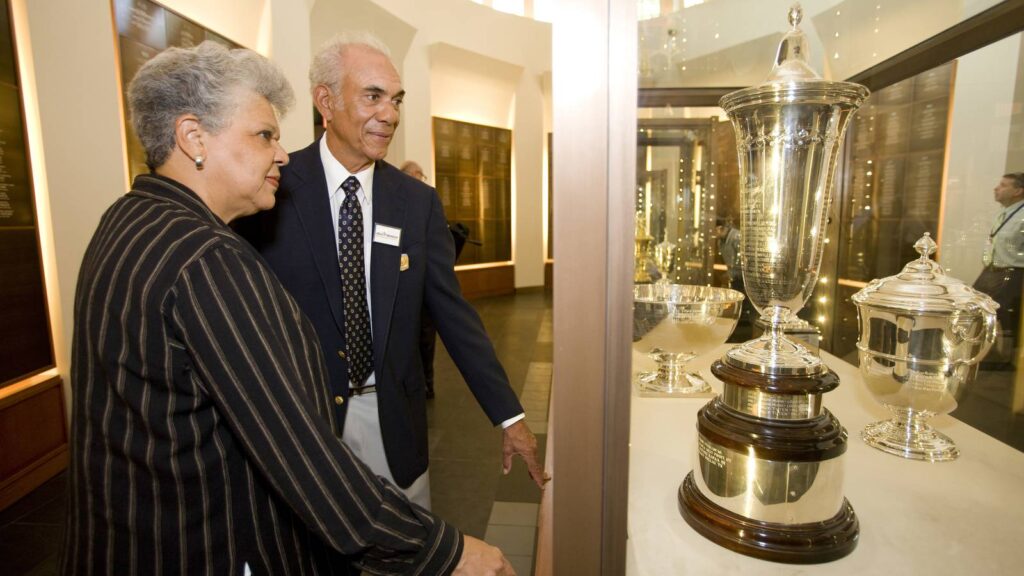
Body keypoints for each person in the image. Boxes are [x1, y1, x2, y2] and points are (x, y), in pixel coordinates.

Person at [62, 41, 513, 575]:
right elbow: (302, 460)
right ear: (193, 137)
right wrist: (448, 552)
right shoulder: (209, 259)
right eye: (264, 135)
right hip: (199, 544)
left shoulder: (127, 219)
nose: (281, 154)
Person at [236, 32, 547, 511]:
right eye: (373, 96)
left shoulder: (416, 203)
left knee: (409, 539)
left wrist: (510, 417)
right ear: (326, 101)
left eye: (396, 100)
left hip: (393, 421)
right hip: (302, 427)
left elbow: (453, 315)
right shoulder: (272, 189)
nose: (390, 115)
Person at [973, 172, 1024, 355]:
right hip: (991, 270)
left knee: (1007, 319)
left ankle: (1009, 360)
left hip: (1013, 273)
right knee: (977, 309)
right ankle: (986, 355)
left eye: (1003, 185)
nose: (996, 188)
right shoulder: (1004, 212)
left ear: (1018, 191)